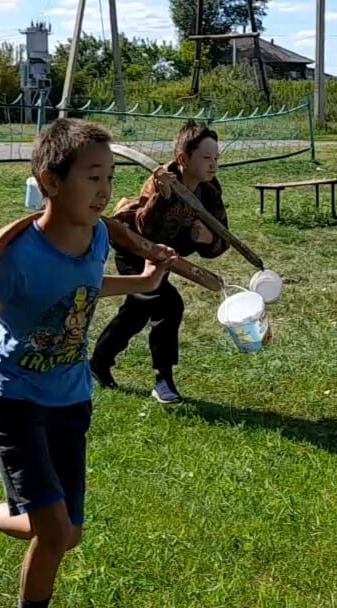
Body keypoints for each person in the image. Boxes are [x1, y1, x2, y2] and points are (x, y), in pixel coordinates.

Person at [0, 118, 176, 608]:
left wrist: (137, 284)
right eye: (93, 177)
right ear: (50, 181)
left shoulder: (99, 237)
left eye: (110, 176)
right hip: (14, 396)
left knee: (66, 531)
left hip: (70, 396)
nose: (105, 189)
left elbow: (84, 287)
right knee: (56, 532)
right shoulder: (16, 259)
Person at [90, 120, 229, 404]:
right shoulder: (161, 181)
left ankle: (98, 362)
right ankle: (163, 379)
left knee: (137, 313)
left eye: (216, 158)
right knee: (168, 306)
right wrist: (163, 198)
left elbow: (222, 239)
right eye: (206, 158)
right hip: (135, 251)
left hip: (166, 259)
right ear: (183, 159)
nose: (213, 164)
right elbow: (145, 230)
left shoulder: (210, 191)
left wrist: (207, 240)